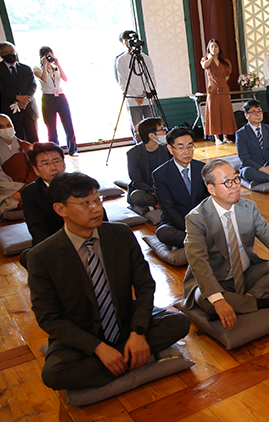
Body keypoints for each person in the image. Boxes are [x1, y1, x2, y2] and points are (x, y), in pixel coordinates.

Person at [27, 172, 189, 391]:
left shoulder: (120, 234)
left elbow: (144, 285)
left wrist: (138, 332)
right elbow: (49, 318)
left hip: (124, 319)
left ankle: (120, 360)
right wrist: (98, 348)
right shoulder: (42, 256)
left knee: (179, 323)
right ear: (60, 209)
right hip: (82, 331)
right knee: (54, 374)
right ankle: (135, 358)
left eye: (97, 200)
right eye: (85, 203)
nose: (95, 208)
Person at [182, 159, 269, 327]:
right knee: (204, 298)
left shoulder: (249, 207)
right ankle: (261, 302)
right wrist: (218, 300)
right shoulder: (196, 218)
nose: (234, 185)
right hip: (217, 279)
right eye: (227, 182)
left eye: (235, 179)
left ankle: (245, 301)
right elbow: (199, 262)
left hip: (247, 273)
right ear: (211, 189)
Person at [20, 143, 108, 268]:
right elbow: (37, 229)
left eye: (56, 161)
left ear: (64, 163)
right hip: (57, 243)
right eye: (45, 164)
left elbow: (102, 219)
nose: (53, 167)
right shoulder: (31, 193)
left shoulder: (80, 183)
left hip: (88, 239)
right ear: (35, 169)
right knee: (29, 256)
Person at [153, 127, 209, 248]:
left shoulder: (202, 168)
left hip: (201, 220)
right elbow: (168, 208)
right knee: (163, 232)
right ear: (170, 149)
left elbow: (209, 200)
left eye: (190, 146)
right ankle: (201, 241)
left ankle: (197, 242)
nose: (187, 152)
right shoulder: (161, 174)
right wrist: (189, 228)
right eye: (180, 148)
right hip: (176, 223)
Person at [0, 114, 34, 221]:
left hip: (28, 186)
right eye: (1, 127)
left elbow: (35, 170)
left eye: (8, 125)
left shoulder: (25, 146)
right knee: (13, 202)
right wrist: (15, 192)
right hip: (9, 191)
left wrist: (23, 190)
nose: (6, 129)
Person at [0, 41, 38, 143]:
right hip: (10, 109)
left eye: (12, 51)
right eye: (6, 52)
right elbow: (0, 88)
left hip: (28, 108)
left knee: (33, 138)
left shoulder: (26, 68)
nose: (11, 54)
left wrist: (24, 100)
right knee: (17, 138)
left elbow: (33, 86)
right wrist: (17, 98)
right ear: (0, 54)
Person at [34, 46, 77, 156]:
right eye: (46, 56)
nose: (49, 58)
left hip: (61, 97)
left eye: (50, 55)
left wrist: (57, 64)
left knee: (68, 123)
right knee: (51, 126)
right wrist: (44, 65)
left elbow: (65, 78)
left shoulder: (56, 68)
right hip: (48, 98)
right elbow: (44, 79)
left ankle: (73, 149)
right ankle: (55, 151)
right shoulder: (37, 68)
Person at [115, 30, 156, 139]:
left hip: (147, 98)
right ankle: (140, 150)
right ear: (123, 43)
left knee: (152, 127)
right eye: (127, 41)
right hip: (133, 101)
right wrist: (135, 96)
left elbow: (151, 78)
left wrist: (144, 93)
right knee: (137, 128)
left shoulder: (145, 58)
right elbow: (122, 81)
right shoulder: (121, 60)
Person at [126, 117, 170, 210]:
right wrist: (156, 193)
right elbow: (137, 181)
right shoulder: (133, 153)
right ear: (151, 135)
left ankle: (152, 207)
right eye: (161, 130)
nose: (165, 132)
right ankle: (161, 203)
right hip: (147, 191)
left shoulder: (167, 149)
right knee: (137, 196)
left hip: (165, 189)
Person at [201, 39, 236, 145]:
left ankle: (225, 136)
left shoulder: (225, 62)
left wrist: (221, 85)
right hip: (212, 91)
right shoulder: (205, 60)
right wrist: (210, 57)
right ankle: (217, 137)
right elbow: (204, 66)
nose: (214, 49)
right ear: (209, 49)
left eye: (216, 46)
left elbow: (226, 76)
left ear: (219, 48)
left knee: (225, 113)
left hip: (223, 90)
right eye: (212, 47)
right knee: (214, 113)